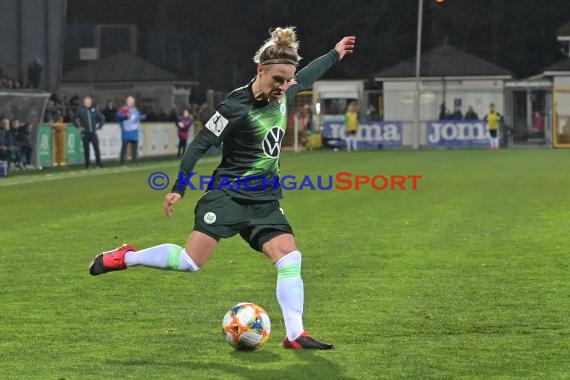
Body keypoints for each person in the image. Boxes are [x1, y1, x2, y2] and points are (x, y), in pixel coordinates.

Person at [89, 27, 356, 350]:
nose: (285, 87)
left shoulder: (284, 90)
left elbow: (310, 74)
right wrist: (179, 187)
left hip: (264, 198)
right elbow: (200, 143)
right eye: (279, 80)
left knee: (290, 259)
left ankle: (295, 334)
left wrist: (336, 52)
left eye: (289, 81)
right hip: (228, 194)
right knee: (191, 261)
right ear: (260, 70)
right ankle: (126, 257)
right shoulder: (234, 106)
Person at [74, 96, 105, 168]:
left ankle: (99, 163)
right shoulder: (81, 110)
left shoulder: (94, 110)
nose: (88, 103)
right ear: (84, 103)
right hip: (85, 133)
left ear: (91, 102)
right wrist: (78, 127)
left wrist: (99, 127)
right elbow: (73, 118)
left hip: (93, 132)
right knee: (86, 149)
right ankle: (88, 165)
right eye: (86, 102)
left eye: (89, 102)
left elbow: (102, 118)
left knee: (96, 148)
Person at [116, 96, 144, 165]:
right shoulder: (124, 109)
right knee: (124, 147)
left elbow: (139, 116)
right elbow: (117, 116)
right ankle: (122, 161)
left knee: (134, 147)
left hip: (134, 132)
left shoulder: (136, 110)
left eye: (132, 102)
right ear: (127, 102)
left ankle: (134, 160)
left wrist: (142, 117)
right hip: (126, 131)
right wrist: (125, 117)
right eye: (130, 102)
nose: (131, 103)